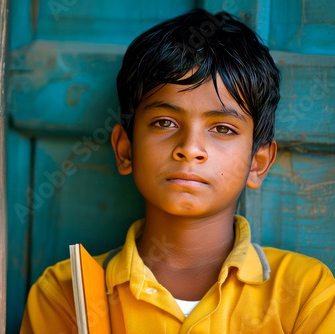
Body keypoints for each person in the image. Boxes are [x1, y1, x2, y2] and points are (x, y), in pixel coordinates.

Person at [19, 9, 335, 333]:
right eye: (164, 123)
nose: (190, 147)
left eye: (223, 128)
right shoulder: (67, 295)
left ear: (258, 162)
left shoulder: (306, 294)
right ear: (125, 150)